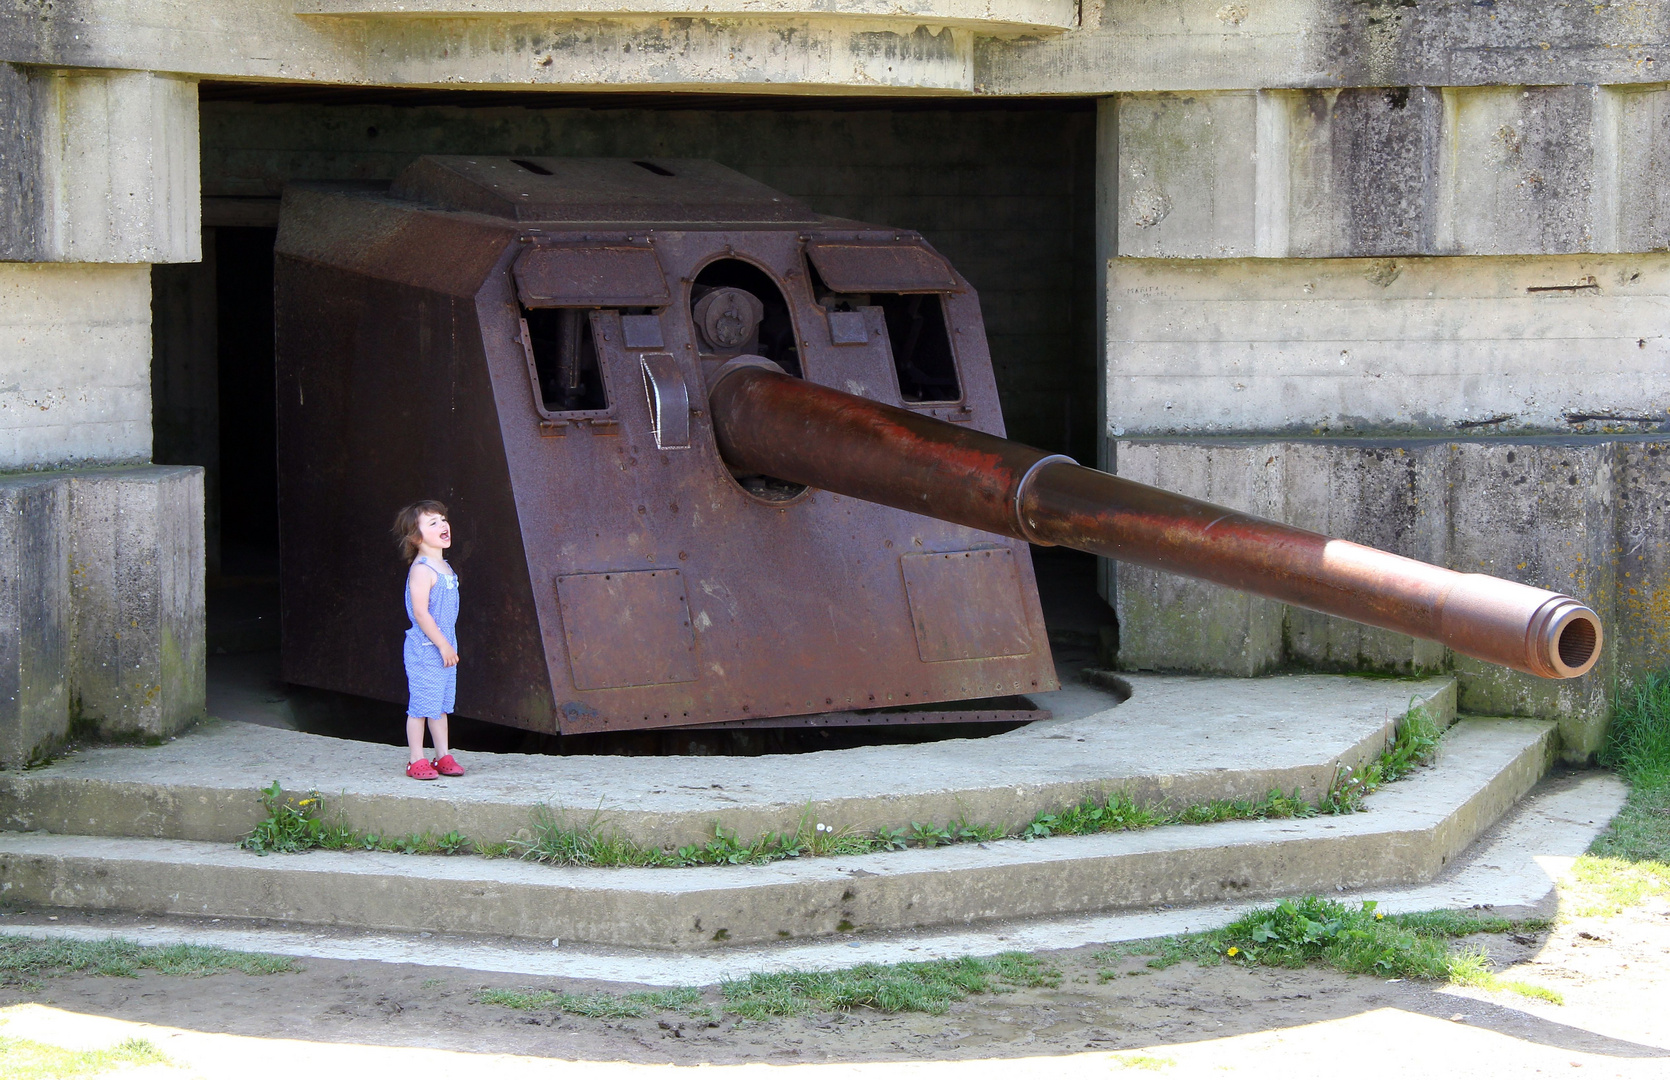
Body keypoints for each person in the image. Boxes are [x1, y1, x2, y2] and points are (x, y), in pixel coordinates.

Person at [392, 500, 466, 780]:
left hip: (446, 645)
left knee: (440, 705)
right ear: (415, 537)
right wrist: (443, 644)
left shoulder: (444, 566)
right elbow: (421, 614)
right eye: (432, 522)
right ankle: (416, 759)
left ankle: (443, 755)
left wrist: (448, 644)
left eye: (443, 519)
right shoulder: (422, 569)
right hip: (427, 647)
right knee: (422, 705)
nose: (443, 525)